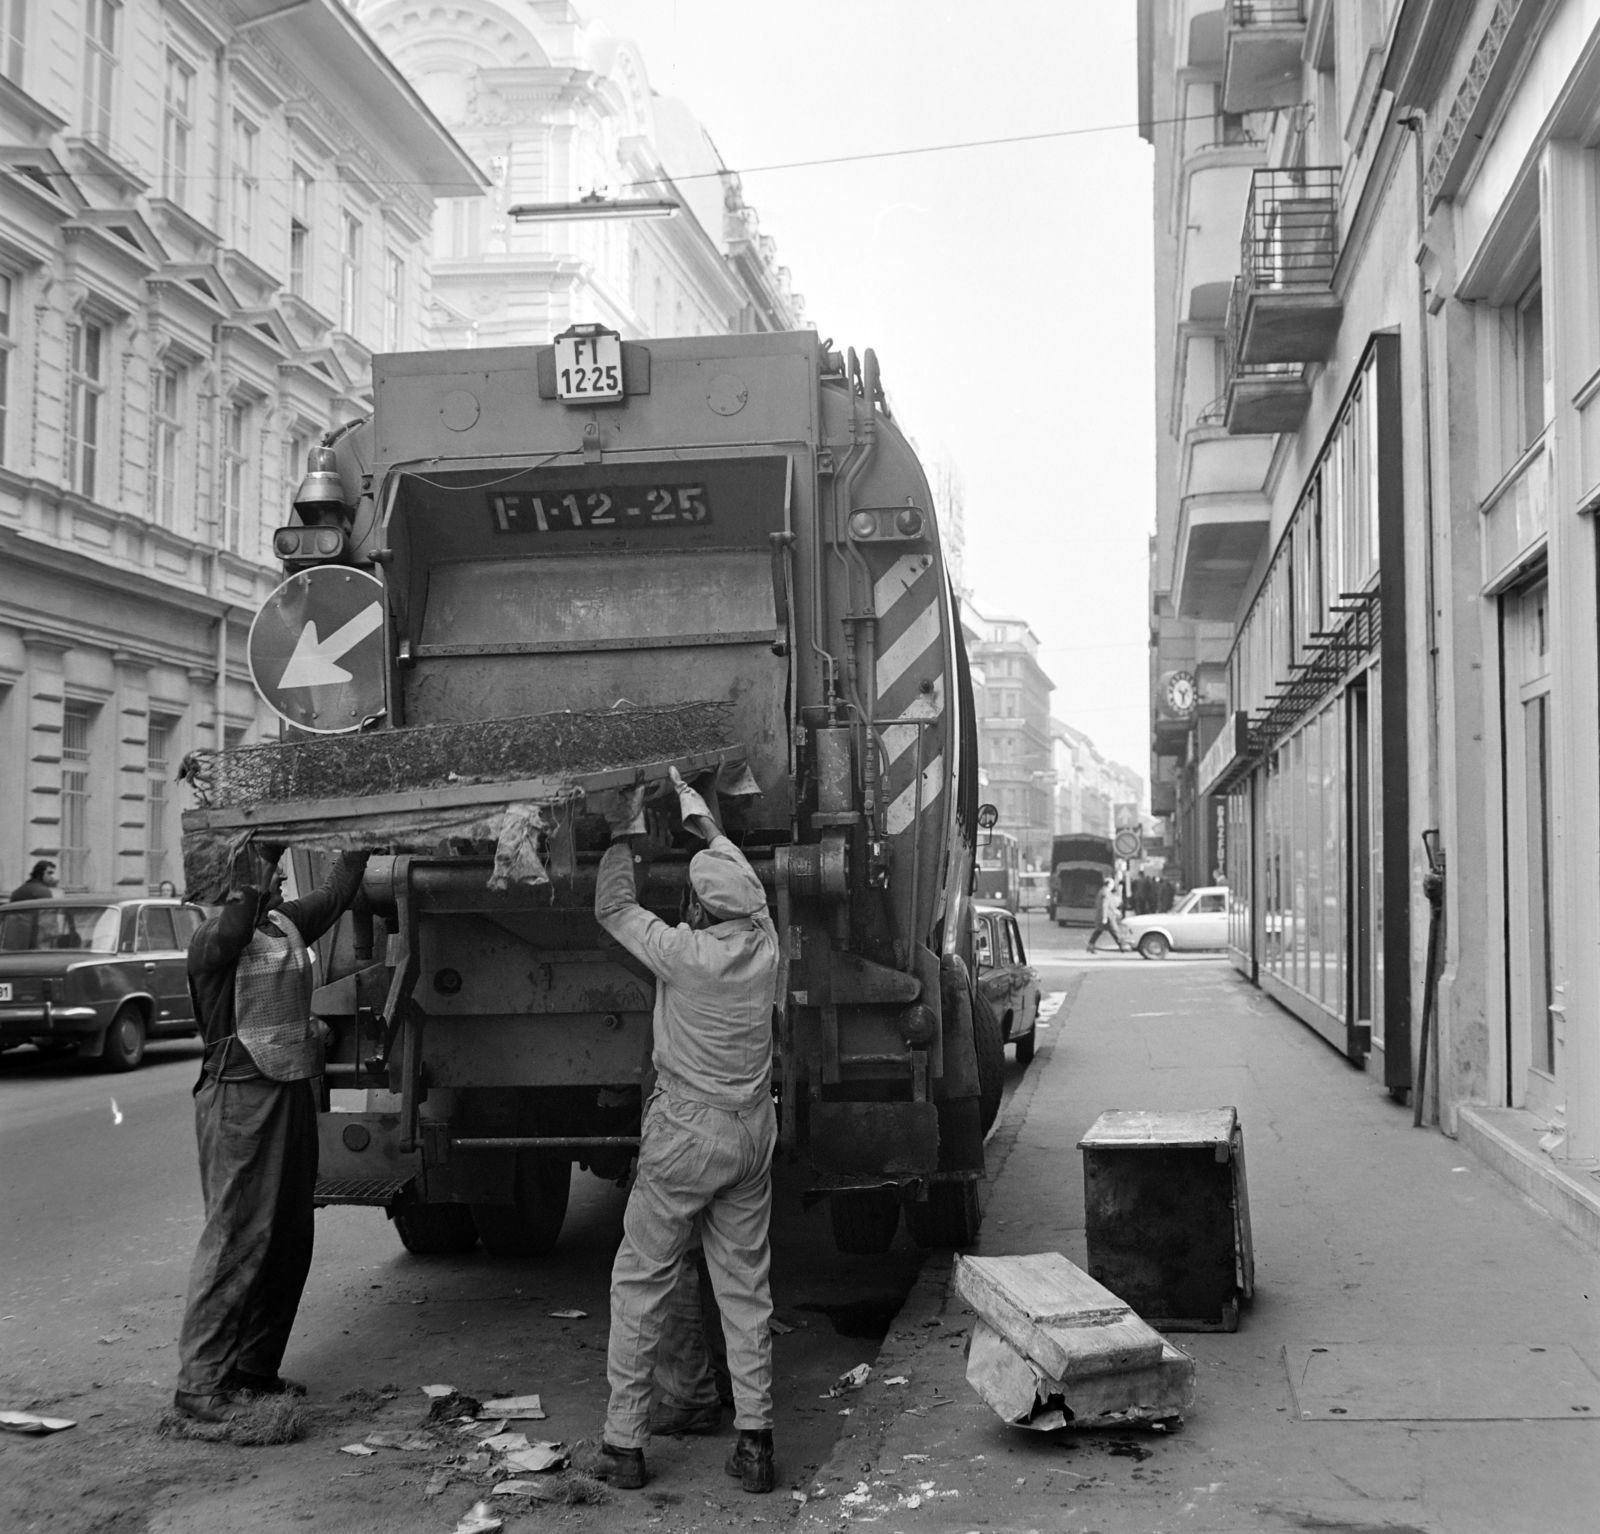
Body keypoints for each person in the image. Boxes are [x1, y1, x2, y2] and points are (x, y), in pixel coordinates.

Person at [587, 767, 779, 1494]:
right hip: (751, 1133)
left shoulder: (681, 953)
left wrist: (620, 834)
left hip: (685, 1134)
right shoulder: (764, 944)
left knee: (642, 1282)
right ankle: (755, 1445)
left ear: (698, 905)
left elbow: (613, 908)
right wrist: (703, 819)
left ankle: (624, 1446)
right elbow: (745, 885)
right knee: (746, 1289)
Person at [172, 842, 370, 1422]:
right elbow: (241, 916)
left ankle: (255, 1369)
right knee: (237, 1237)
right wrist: (266, 840)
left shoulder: (286, 924)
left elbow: (335, 893)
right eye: (269, 877)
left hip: (289, 1089)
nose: (280, 882)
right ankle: (201, 1385)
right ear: (239, 886)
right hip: (239, 1099)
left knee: (286, 1234)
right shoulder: (214, 940)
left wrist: (357, 841)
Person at [1087, 874, 1127, 954]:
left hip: (1104, 915)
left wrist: (1114, 910)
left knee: (1098, 931)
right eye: (1112, 884)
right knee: (1115, 931)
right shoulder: (1106, 893)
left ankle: (1090, 946)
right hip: (1108, 916)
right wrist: (1105, 917)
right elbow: (1104, 905)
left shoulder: (1102, 891)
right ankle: (1122, 946)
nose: (1113, 886)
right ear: (1109, 884)